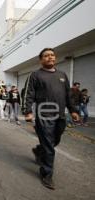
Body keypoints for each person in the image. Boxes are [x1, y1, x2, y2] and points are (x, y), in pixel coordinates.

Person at [22, 48, 79, 190]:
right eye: (46, 56)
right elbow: (28, 94)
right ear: (41, 59)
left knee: (55, 141)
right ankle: (46, 174)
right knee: (49, 146)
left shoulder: (62, 75)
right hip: (44, 116)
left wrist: (73, 110)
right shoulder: (35, 75)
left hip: (60, 115)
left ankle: (39, 150)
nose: (50, 57)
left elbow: (68, 95)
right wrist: (27, 111)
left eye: (52, 55)